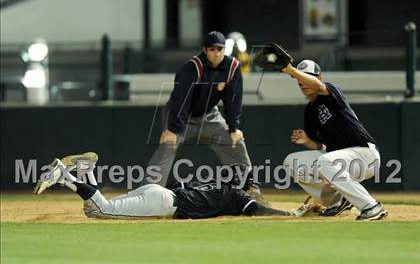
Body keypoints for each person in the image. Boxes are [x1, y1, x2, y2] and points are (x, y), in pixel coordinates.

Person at [281, 60, 388, 221]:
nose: (302, 82)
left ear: (319, 77)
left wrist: (292, 70)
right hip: (339, 159)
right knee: (292, 161)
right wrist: (307, 141)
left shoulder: (331, 91)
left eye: (307, 77)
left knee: (325, 161)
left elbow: (319, 87)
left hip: (365, 155)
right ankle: (337, 202)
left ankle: (371, 206)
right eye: (300, 80)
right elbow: (320, 146)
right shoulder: (310, 112)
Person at [34, 153, 290, 219]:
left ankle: (86, 170)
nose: (251, 189)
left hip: (157, 193)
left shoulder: (211, 184)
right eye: (249, 184)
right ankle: (65, 175)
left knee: (95, 210)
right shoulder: (234, 195)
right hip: (163, 202)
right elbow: (257, 209)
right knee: (101, 210)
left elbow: (174, 182)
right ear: (242, 184)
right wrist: (287, 214)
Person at [146, 31, 251, 187]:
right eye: (212, 49)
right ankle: (148, 191)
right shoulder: (192, 68)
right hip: (182, 117)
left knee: (236, 142)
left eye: (220, 49)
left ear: (224, 49)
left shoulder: (233, 67)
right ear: (205, 50)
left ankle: (249, 189)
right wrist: (172, 129)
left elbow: (233, 100)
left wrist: (234, 127)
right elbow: (181, 99)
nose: (216, 53)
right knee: (167, 145)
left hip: (209, 116)